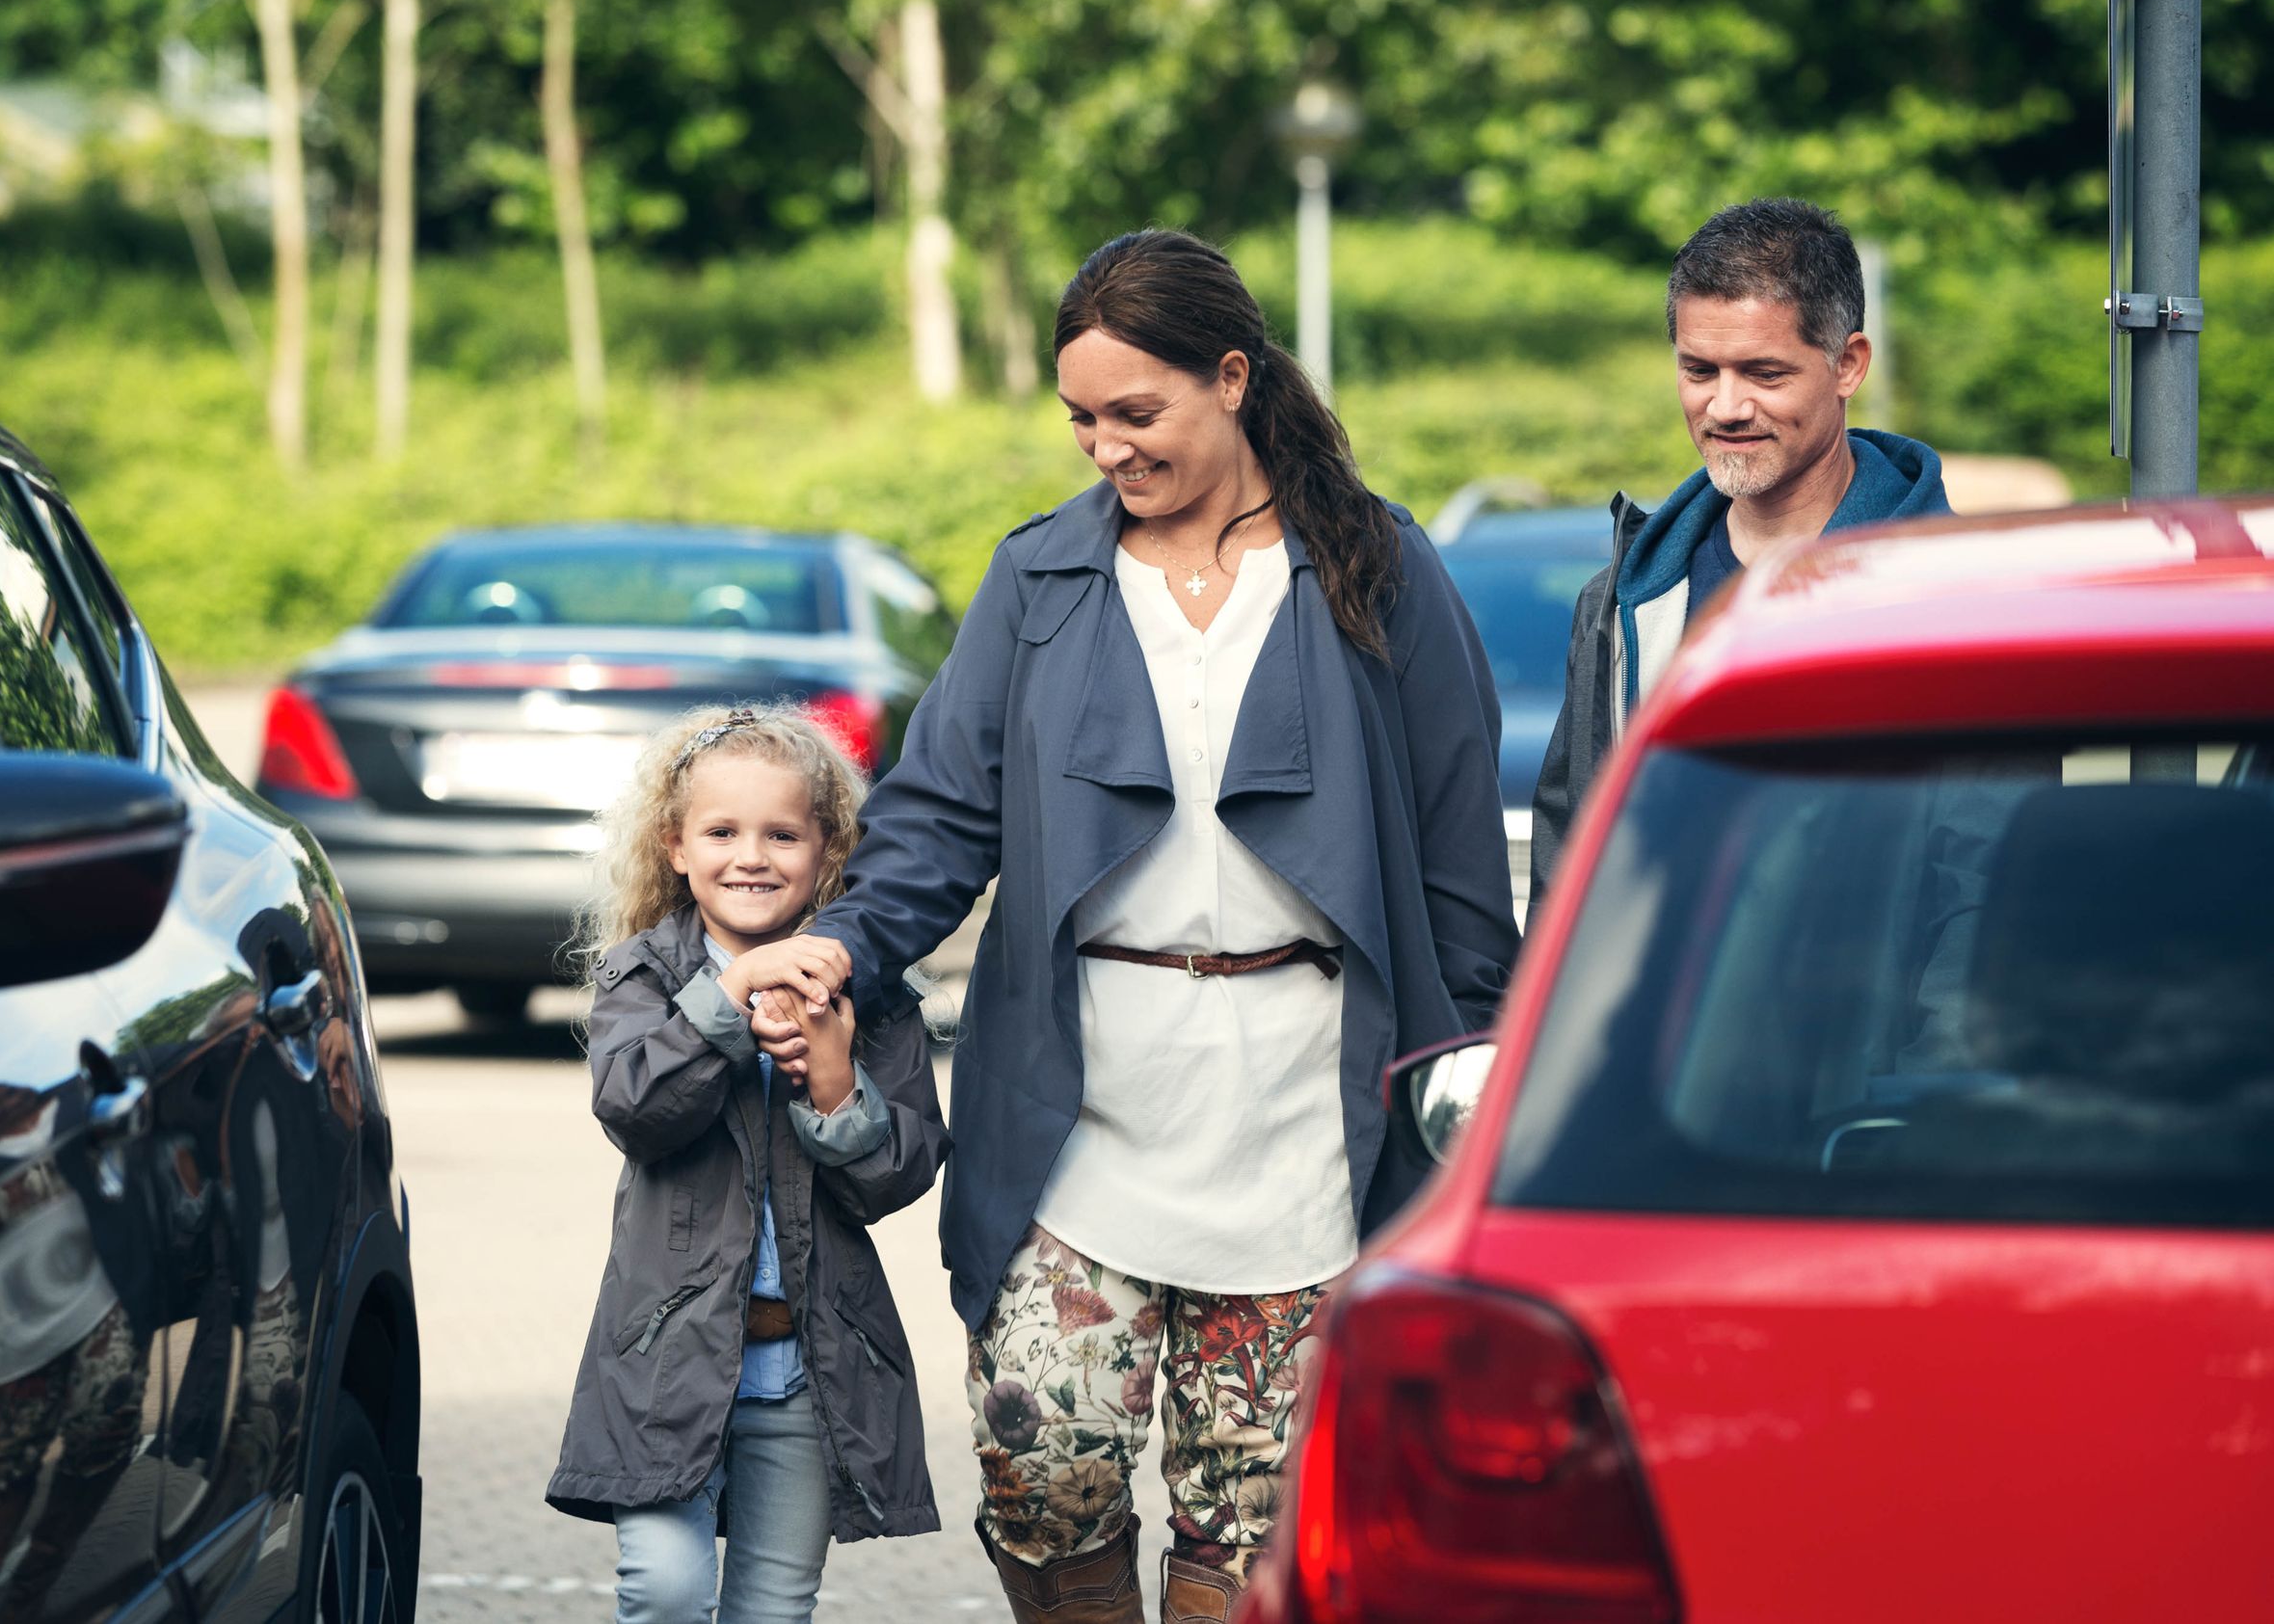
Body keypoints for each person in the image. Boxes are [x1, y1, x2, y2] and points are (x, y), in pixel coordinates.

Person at [759, 229, 1520, 1622]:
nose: (1105, 445)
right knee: (1040, 1476)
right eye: (1081, 419)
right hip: (1082, 1114)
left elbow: (1465, 868)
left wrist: (1460, 1102)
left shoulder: (1378, 565)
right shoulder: (1040, 580)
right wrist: (847, 944)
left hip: (1310, 1119)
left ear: (1231, 378)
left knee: (1263, 1522)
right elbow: (938, 815)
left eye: (1137, 411)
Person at [547, 705, 948, 1623]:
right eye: (722, 831)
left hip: (811, 1365)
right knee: (666, 1587)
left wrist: (836, 1082)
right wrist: (727, 998)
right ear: (675, 846)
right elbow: (636, 1108)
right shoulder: (642, 977)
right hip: (666, 1360)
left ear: (828, 848)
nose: (751, 856)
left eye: (782, 833)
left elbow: (894, 1178)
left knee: (774, 1606)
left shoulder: (869, 993)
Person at [1528, 197, 1956, 912]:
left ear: (1848, 364)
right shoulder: (1622, 601)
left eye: (1764, 373)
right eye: (1700, 371)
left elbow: (1974, 875)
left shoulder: (1952, 597)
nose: (1725, 406)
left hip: (1865, 1021)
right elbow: (1570, 863)